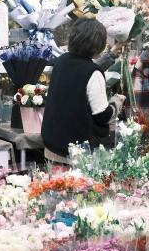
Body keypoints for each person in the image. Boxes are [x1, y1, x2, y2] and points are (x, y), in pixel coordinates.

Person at [42, 18, 125, 164]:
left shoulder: (61, 61)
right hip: (77, 151)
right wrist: (117, 103)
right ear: (97, 44)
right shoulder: (93, 72)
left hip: (53, 144)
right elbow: (102, 115)